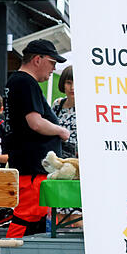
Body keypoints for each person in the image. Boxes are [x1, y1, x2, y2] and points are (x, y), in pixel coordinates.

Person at [4, 39, 69, 238]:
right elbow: (35, 122)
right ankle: (9, 253)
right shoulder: (26, 82)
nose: (54, 68)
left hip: (29, 164)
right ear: (37, 60)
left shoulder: (16, 81)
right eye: (52, 62)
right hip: (32, 166)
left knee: (34, 217)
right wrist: (60, 131)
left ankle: (16, 252)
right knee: (28, 215)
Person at [51, 66, 81, 226]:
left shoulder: (88, 105)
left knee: (77, 216)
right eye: (69, 82)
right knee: (60, 213)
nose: (72, 87)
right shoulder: (58, 104)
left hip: (78, 163)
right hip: (60, 160)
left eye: (76, 82)